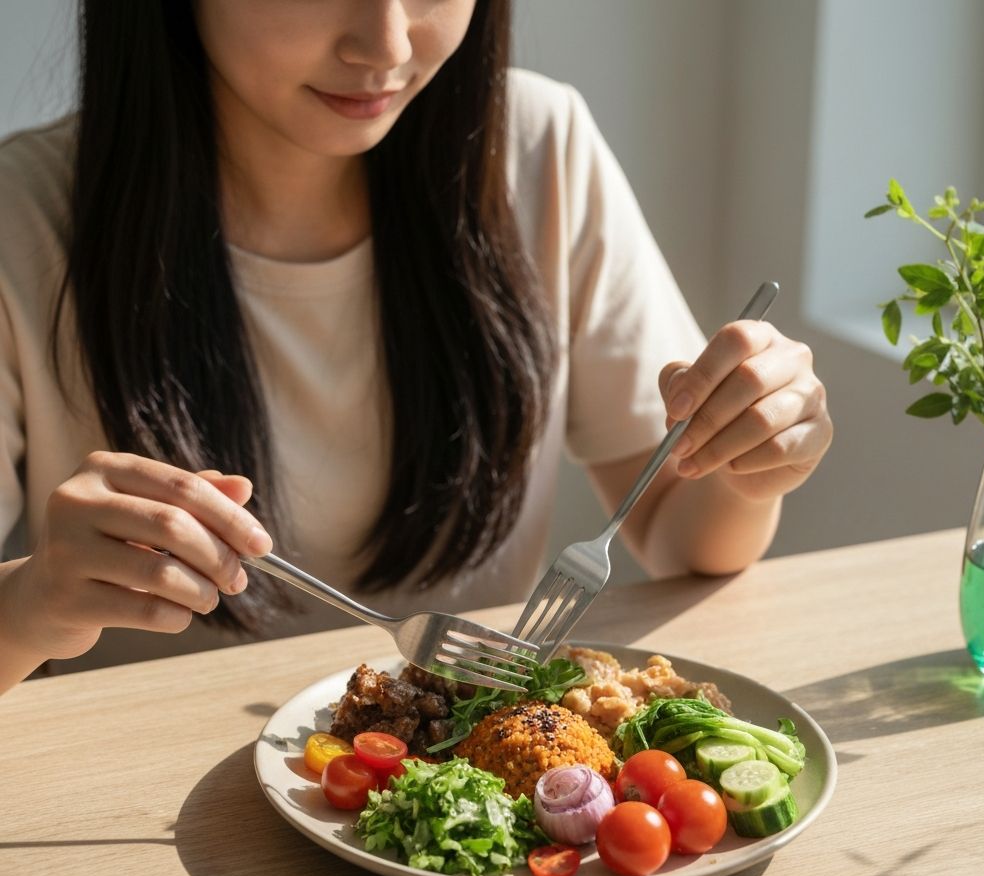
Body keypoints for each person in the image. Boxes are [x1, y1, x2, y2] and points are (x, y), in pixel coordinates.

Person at [0, 0, 832, 695]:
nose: (386, 44)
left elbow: (680, 533)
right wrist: (35, 599)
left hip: (481, 849)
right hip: (135, 822)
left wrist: (749, 456)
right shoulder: (21, 223)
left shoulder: (539, 147)